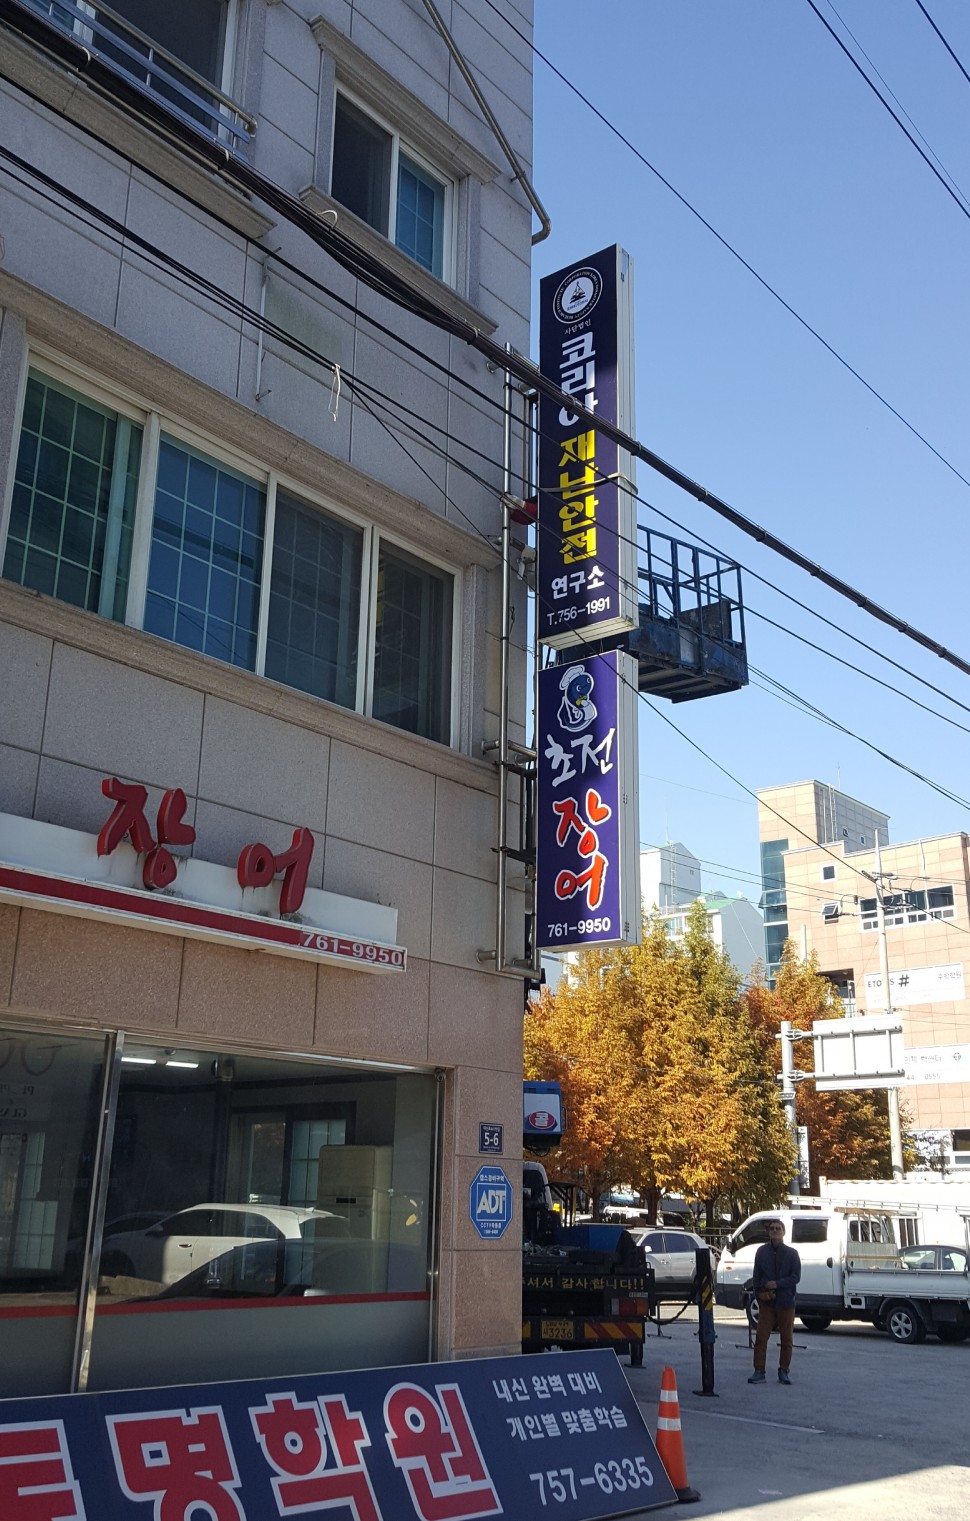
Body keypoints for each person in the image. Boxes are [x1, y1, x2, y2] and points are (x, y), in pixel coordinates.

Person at [748, 1218, 801, 1385]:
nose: (775, 1231)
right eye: (772, 1228)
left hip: (786, 1302)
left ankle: (783, 1371)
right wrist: (759, 1295)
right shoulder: (761, 1252)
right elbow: (756, 1276)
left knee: (787, 1339)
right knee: (761, 1338)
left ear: (783, 1232)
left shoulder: (792, 1253)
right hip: (767, 1303)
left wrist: (778, 1284)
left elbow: (796, 1277)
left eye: (778, 1228)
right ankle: (759, 1371)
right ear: (768, 1232)